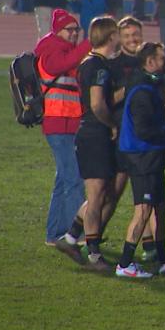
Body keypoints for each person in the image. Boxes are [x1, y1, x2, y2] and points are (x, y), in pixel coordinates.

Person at [113, 42, 165, 278]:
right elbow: (144, 130)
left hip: (151, 155)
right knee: (143, 210)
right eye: (162, 59)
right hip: (141, 157)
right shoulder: (142, 91)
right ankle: (124, 264)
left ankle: (163, 259)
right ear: (150, 62)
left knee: (159, 206)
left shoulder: (148, 85)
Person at [60, 16, 120, 271]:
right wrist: (111, 124)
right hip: (95, 135)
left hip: (91, 134)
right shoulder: (98, 66)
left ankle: (71, 237)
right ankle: (94, 254)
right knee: (96, 197)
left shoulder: (92, 63)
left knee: (101, 192)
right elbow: (97, 104)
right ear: (110, 36)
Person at [36, 9, 92, 245]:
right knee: (74, 179)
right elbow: (65, 64)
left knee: (63, 180)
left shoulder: (66, 51)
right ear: (57, 31)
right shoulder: (50, 51)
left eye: (77, 30)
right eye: (70, 30)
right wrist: (90, 42)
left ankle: (54, 233)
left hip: (67, 124)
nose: (74, 34)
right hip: (57, 124)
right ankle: (74, 233)